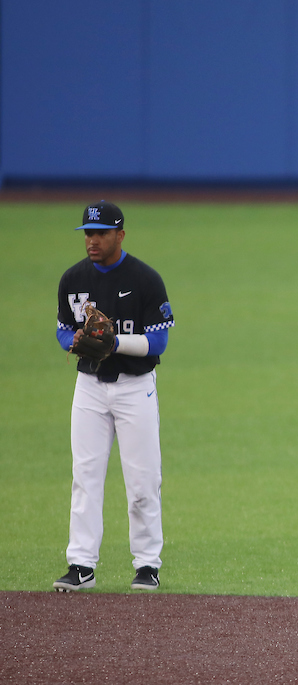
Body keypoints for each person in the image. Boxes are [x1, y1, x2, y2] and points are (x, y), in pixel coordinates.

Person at [52, 201, 175, 592]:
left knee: (142, 481)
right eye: (88, 233)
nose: (93, 240)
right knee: (85, 477)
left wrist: (116, 341)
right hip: (88, 387)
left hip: (135, 388)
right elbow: (62, 330)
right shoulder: (72, 279)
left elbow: (159, 340)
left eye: (101, 233)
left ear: (120, 235)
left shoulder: (145, 279)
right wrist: (71, 340)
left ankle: (147, 565)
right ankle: (81, 564)